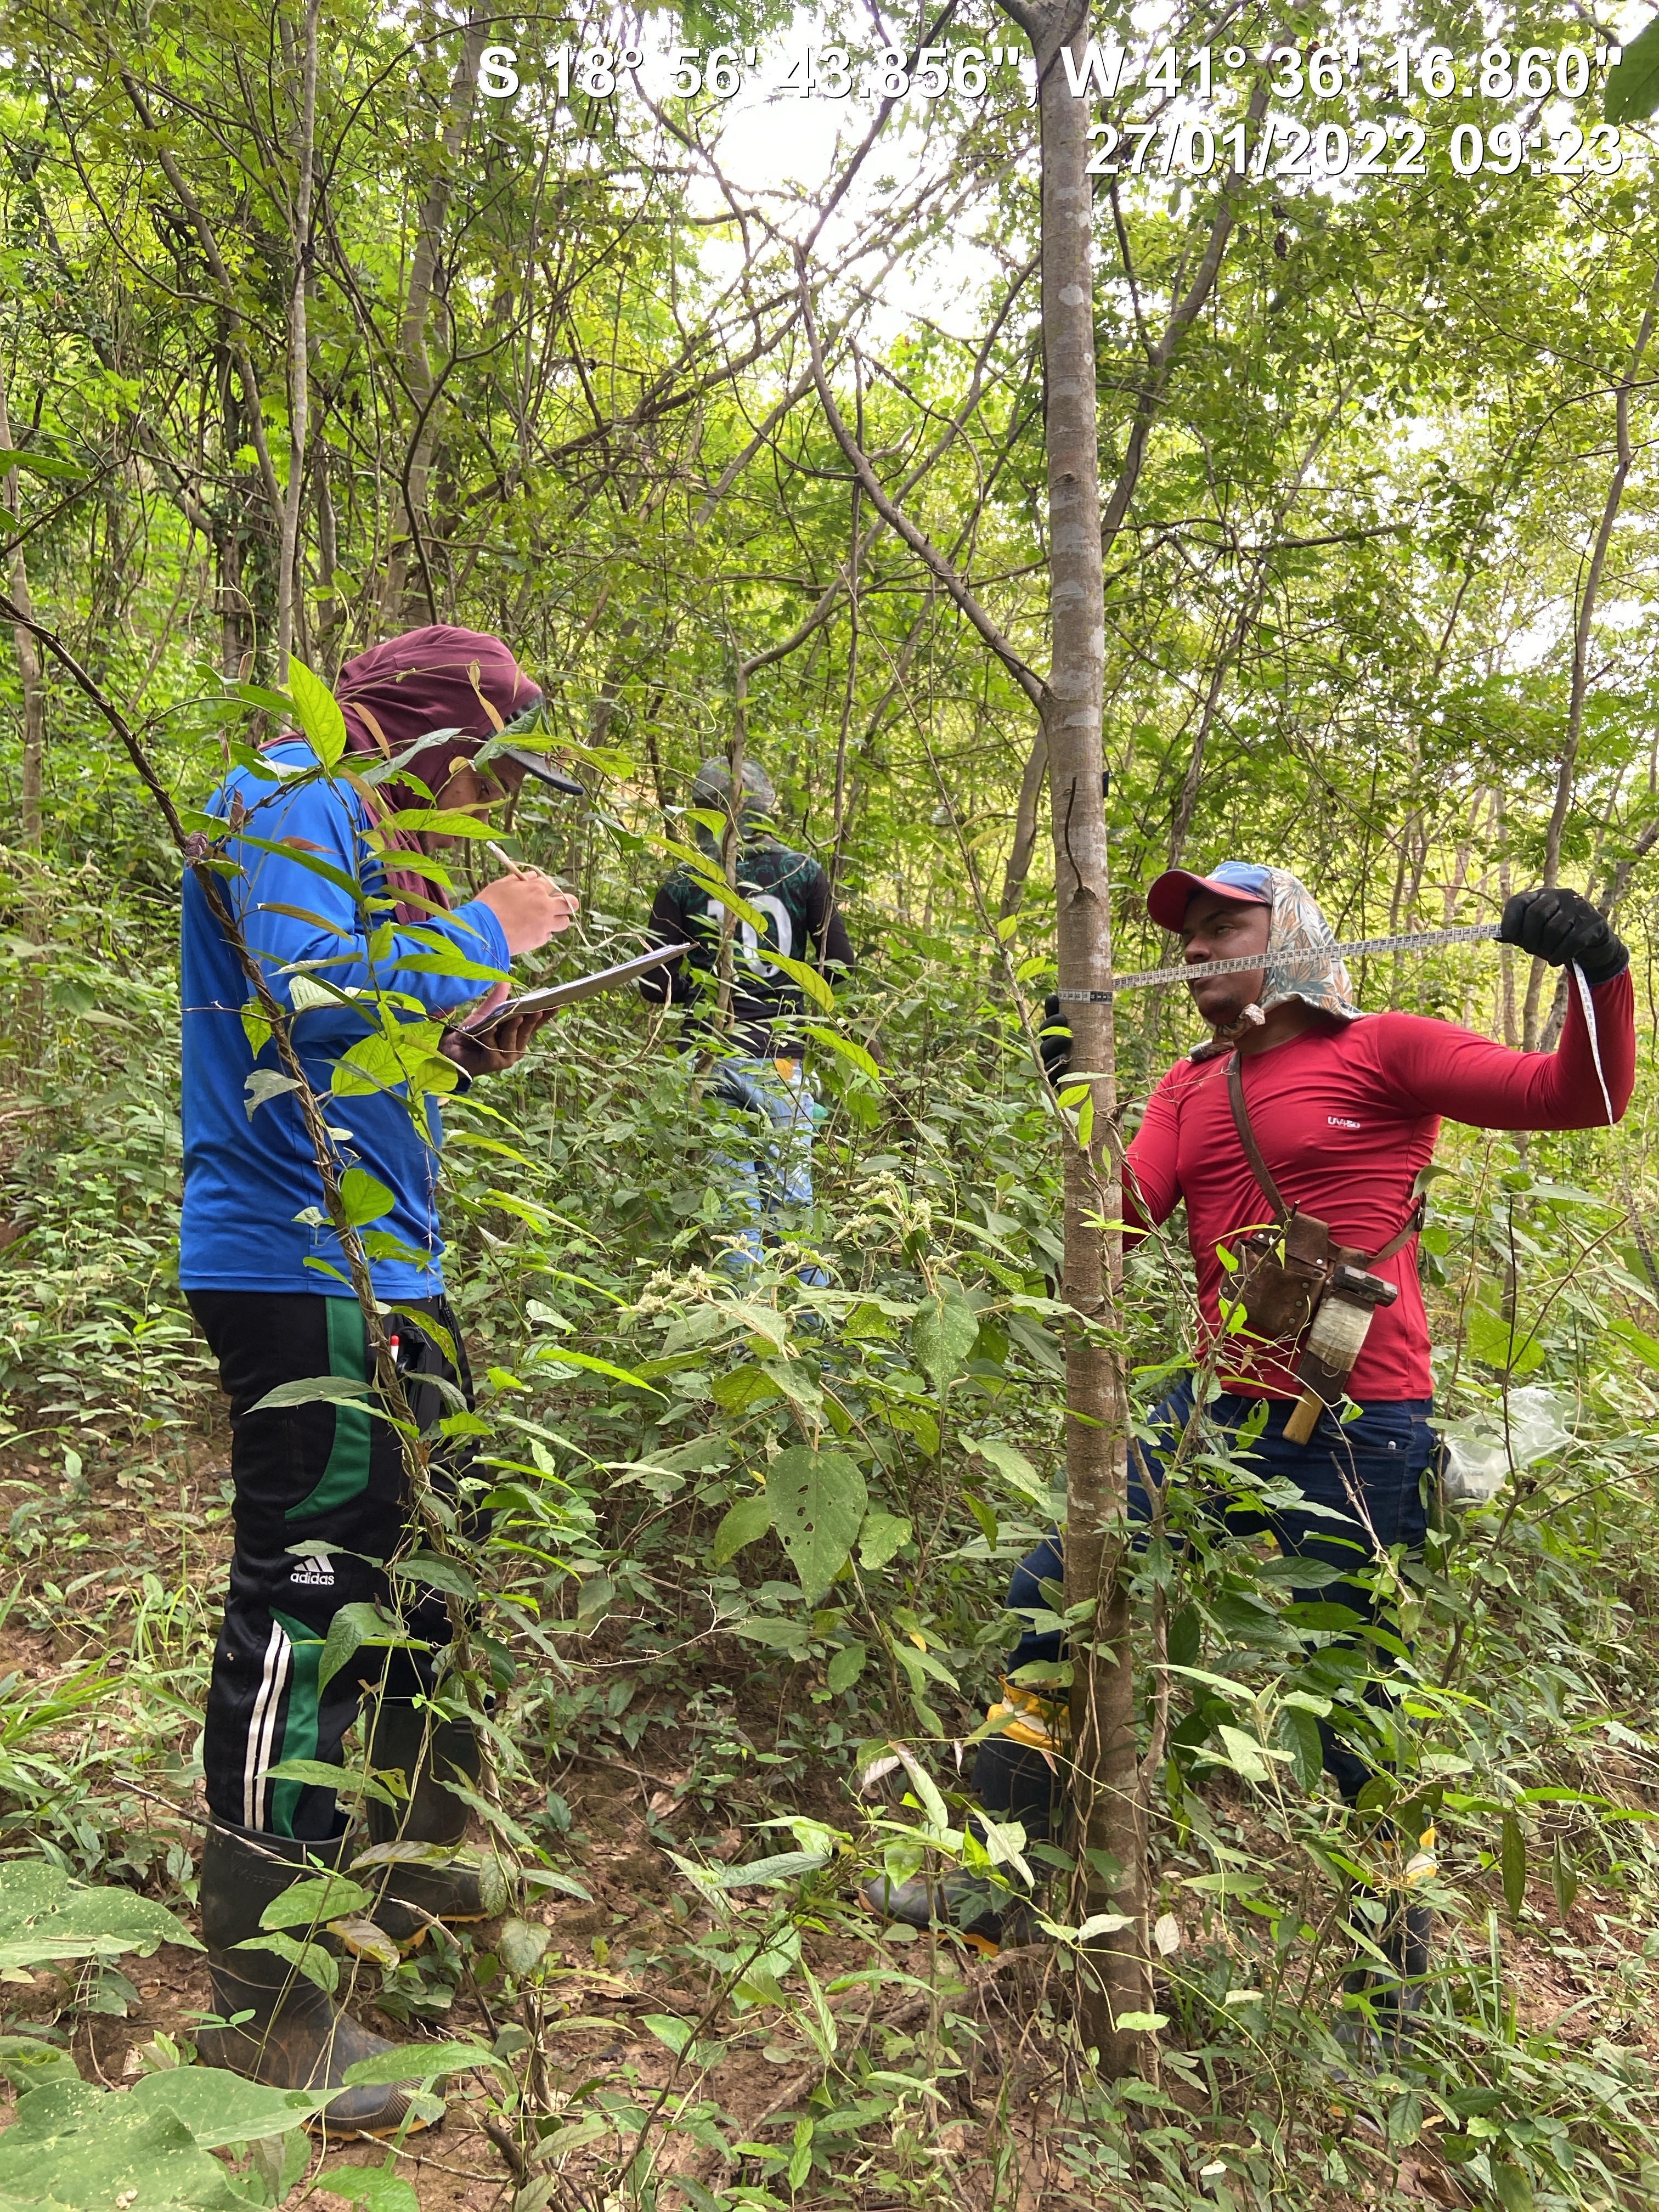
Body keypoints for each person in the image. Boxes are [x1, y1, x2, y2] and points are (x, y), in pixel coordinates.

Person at [867, 862, 1635, 1997]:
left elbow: (1589, 1100)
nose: (1195, 950)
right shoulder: (1188, 1088)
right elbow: (1110, 1237)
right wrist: (1071, 1106)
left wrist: (1596, 968)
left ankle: (1397, 1984)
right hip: (1218, 1410)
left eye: (1224, 925)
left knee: (1356, 1698)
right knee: (1051, 1595)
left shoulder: (1387, 1048)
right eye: (1186, 938)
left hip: (1366, 1421)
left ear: (1292, 935)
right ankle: (997, 1894)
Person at [180, 624, 579, 2133]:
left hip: (389, 1264)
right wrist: (489, 928)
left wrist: (476, 1025)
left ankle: (411, 1858)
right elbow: (310, 998)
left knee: (430, 1566)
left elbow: (375, 1030)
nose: (483, 804)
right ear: (415, 741)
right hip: (293, 1268)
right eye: (474, 768)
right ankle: (266, 1998)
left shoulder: (371, 839)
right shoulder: (290, 795)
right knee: (300, 1590)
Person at [640, 755, 853, 1278]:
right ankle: (810, 1339)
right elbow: (839, 967)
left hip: (711, 1057)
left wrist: (695, 984)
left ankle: (745, 1333)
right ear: (766, 808)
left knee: (736, 1212)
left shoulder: (685, 882)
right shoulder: (803, 870)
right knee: (791, 1203)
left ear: (703, 813)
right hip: (781, 1059)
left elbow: (652, 984)